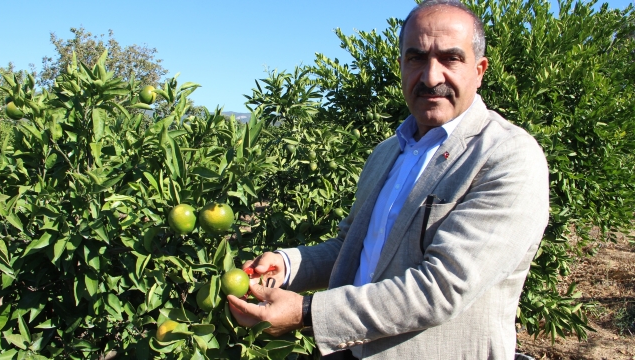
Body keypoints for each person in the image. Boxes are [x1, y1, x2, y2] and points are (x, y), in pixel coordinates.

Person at [227, 0, 550, 358]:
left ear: (480, 69)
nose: (431, 77)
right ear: (401, 66)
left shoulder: (507, 156)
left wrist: (307, 312)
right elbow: (352, 249)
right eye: (416, 58)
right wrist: (286, 265)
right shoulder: (387, 153)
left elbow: (442, 288)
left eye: (450, 59)